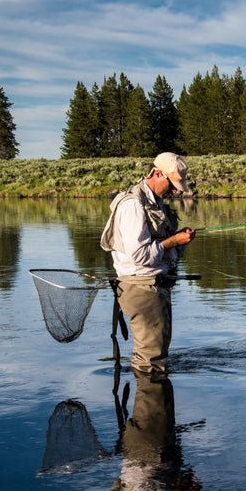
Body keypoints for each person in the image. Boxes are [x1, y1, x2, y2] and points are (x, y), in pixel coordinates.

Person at [101, 152, 196, 374]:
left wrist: (179, 241)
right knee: (151, 362)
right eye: (172, 185)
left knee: (156, 356)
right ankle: (149, 392)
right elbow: (140, 256)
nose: (175, 191)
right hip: (142, 288)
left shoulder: (155, 202)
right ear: (157, 173)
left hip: (153, 286)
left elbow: (161, 249)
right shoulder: (133, 206)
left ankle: (152, 392)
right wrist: (174, 241)